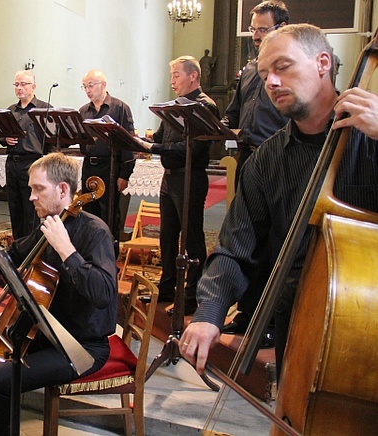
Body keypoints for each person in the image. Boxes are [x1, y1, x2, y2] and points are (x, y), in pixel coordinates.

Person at [180, 24, 378, 377]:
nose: (270, 82)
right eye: (264, 74)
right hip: (297, 323)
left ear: (322, 63)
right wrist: (209, 313)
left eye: (282, 67)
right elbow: (235, 247)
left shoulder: (372, 134)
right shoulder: (265, 161)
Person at [0, 152, 117, 436]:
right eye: (30, 189)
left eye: (38, 189)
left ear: (63, 190)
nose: (31, 196)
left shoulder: (95, 232)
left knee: (1, 377)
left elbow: (103, 293)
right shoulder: (50, 223)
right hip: (46, 331)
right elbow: (14, 253)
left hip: (81, 346)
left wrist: (68, 251)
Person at [219, 0, 289, 340]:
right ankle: (247, 314)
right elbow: (233, 114)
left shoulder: (289, 69)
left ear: (280, 28)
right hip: (248, 158)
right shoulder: (249, 70)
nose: (256, 35)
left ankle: (273, 321)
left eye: (263, 28)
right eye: (254, 29)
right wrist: (218, 125)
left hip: (280, 159)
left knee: (275, 242)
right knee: (247, 238)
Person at [138, 56, 219, 315]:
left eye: (176, 75)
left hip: (190, 176)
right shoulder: (174, 106)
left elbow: (194, 148)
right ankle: (166, 288)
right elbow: (160, 137)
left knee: (191, 237)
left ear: (193, 76)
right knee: (168, 237)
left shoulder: (204, 105)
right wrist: (139, 140)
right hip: (170, 177)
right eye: (171, 75)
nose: (172, 80)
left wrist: (156, 147)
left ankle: (193, 296)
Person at [78, 70, 136, 245]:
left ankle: (110, 255)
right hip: (89, 166)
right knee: (89, 213)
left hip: (110, 167)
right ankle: (91, 253)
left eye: (91, 85)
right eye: (84, 87)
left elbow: (128, 143)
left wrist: (124, 174)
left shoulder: (120, 108)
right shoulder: (83, 111)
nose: (87, 90)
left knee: (109, 215)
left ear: (103, 84)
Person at [0, 70, 51, 239]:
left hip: (33, 163)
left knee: (31, 209)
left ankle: (30, 250)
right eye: (16, 84)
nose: (19, 88)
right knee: (14, 208)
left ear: (33, 86)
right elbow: (1, 135)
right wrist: (5, 138)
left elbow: (51, 138)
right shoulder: (10, 111)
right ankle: (18, 248)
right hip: (12, 162)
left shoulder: (44, 108)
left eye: (23, 84)